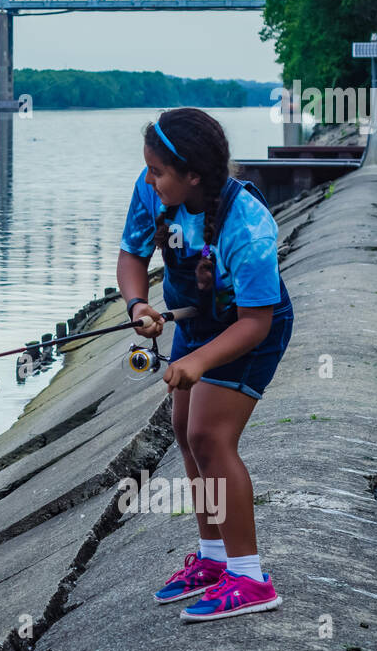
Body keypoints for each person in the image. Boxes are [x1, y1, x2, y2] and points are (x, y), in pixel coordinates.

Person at [116, 108, 294, 622]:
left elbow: (255, 324)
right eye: (148, 169)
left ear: (193, 174)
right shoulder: (154, 190)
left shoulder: (250, 224)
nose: (149, 180)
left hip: (250, 328)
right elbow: (132, 257)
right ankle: (214, 560)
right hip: (195, 320)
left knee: (211, 438)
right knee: (185, 432)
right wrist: (137, 306)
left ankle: (250, 577)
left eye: (159, 172)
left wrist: (196, 363)